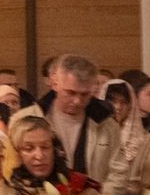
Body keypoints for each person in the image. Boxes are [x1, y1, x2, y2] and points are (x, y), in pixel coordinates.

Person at [16, 54, 121, 186]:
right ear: (54, 83)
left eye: (85, 94)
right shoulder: (24, 119)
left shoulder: (107, 124)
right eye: (71, 93)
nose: (77, 101)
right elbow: (13, 166)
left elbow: (118, 171)